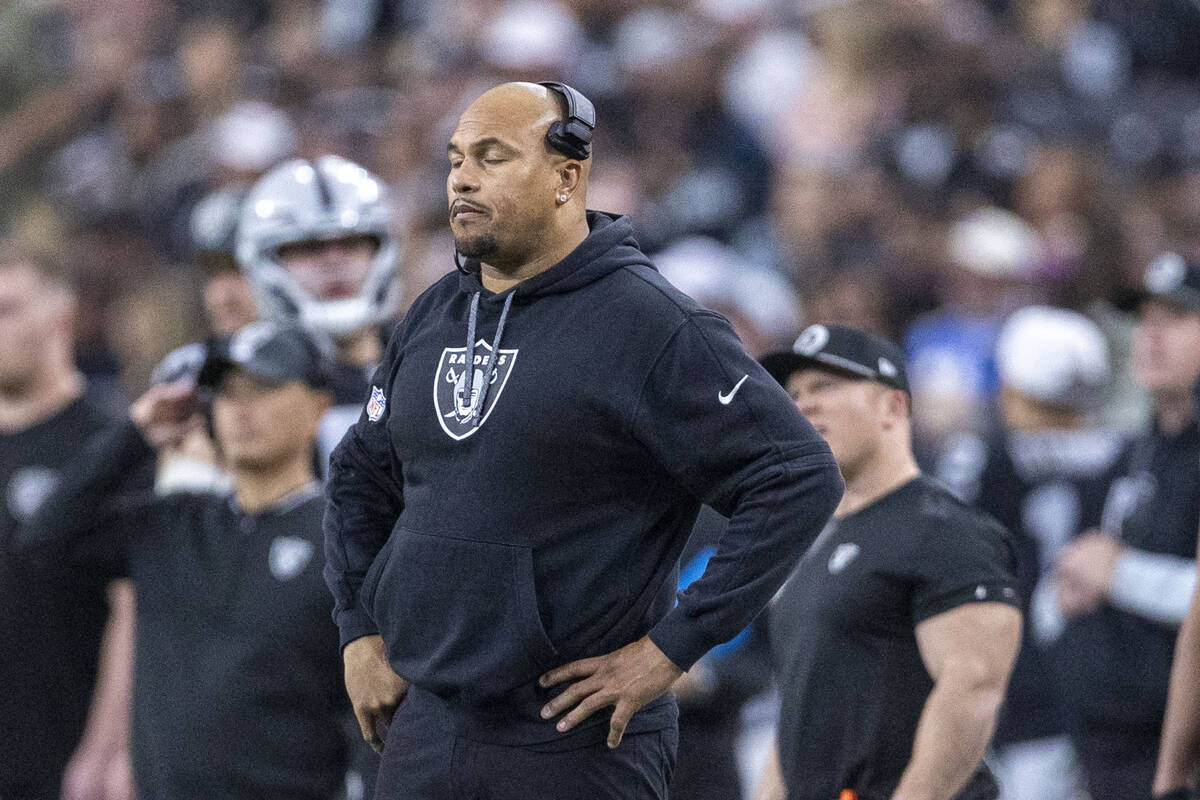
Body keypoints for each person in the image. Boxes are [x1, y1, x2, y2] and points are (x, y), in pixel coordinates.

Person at [323, 81, 843, 800]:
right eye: (454, 160)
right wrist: (357, 631)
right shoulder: (436, 312)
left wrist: (672, 650)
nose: (463, 178)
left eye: (493, 156)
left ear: (568, 176)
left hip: (575, 736)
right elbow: (358, 476)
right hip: (426, 722)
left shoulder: (650, 324)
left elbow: (797, 474)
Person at [15, 322, 351, 800]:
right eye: (226, 392)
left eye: (263, 388)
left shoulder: (343, 534)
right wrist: (134, 434)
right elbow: (44, 541)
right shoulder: (173, 524)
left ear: (319, 406)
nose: (240, 409)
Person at [755, 324, 1022, 800]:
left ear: (893, 406)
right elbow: (797, 713)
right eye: (794, 393)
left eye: (826, 386)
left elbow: (973, 689)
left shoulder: (945, 528)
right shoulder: (810, 538)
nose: (804, 404)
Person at [936, 306, 1120, 800]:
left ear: (1012, 388)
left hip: (1005, 690)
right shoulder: (1124, 457)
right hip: (1098, 691)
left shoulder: (978, 458)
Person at [0, 248, 149, 800]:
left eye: (7, 309)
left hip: (69, 754)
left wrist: (107, 749)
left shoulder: (109, 439)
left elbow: (133, 606)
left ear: (58, 318)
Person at [1053, 253, 1200, 800]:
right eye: (1145, 320)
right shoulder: (1140, 447)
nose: (1152, 336)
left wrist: (1119, 574)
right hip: (1105, 748)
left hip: (1172, 754)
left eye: (1177, 319)